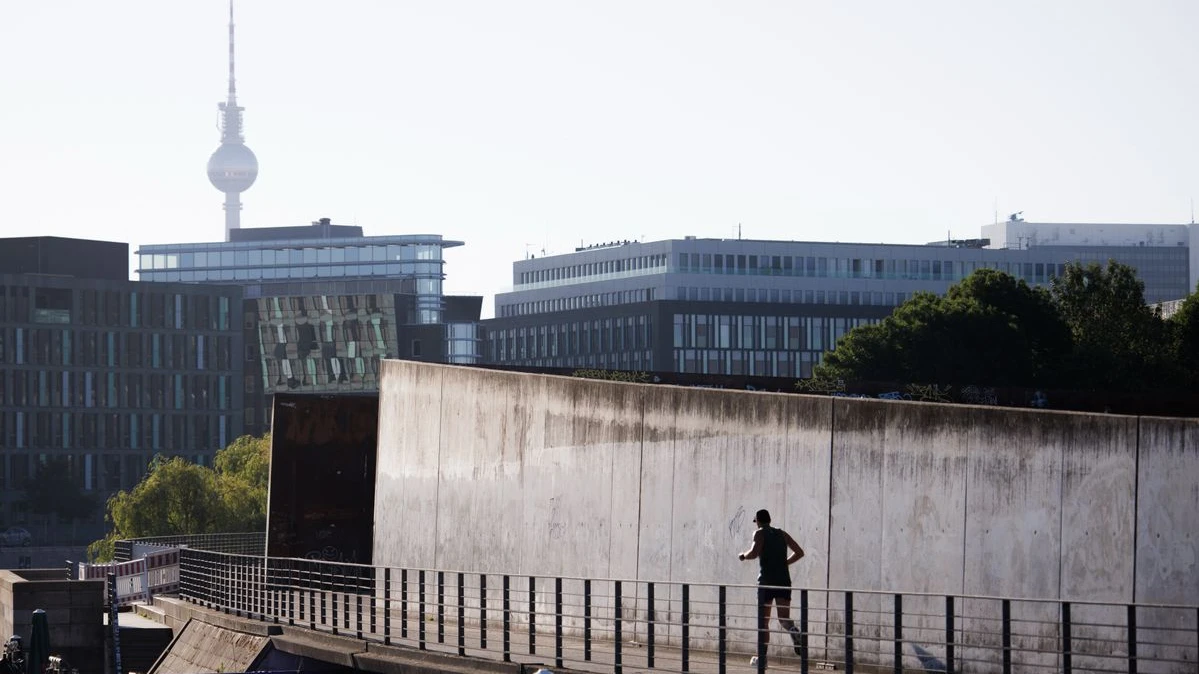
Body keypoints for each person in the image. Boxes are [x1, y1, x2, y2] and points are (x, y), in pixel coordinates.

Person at [738, 508, 805, 660]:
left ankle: (762, 658)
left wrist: (743, 556)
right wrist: (784, 563)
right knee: (784, 619)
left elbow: (754, 553)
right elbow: (799, 552)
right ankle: (794, 631)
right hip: (783, 581)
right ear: (770, 520)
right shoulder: (782, 533)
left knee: (764, 622)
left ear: (758, 521)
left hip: (766, 582)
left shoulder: (759, 533)